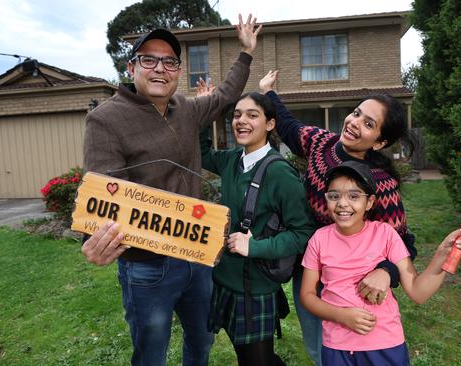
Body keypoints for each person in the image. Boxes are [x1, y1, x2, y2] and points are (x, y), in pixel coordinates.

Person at [80, 15, 261, 366]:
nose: (160, 68)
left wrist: (245, 53)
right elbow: (102, 196)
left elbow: (225, 95)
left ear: (178, 71)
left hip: (196, 256)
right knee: (151, 353)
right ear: (131, 66)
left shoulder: (186, 109)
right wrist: (92, 238)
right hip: (147, 268)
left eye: (170, 61)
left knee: (202, 340)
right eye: (149, 59)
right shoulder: (106, 119)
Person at [259, 70, 417, 365]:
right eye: (357, 113)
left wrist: (386, 272)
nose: (355, 123)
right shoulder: (321, 144)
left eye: (368, 124)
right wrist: (268, 92)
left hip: (353, 281)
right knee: (319, 347)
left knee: (353, 345)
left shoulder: (380, 182)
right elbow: (290, 127)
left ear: (379, 142)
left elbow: (403, 242)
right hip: (309, 268)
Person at [301, 161, 461, 365]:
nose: (342, 203)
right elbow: (307, 295)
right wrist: (341, 316)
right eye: (334, 196)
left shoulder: (385, 234)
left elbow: (418, 291)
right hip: (337, 347)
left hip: (385, 345)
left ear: (369, 202)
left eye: (354, 196)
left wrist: (442, 254)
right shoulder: (319, 239)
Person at [199, 91, 315, 365]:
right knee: (248, 358)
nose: (241, 121)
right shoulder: (231, 160)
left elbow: (303, 233)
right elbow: (201, 152)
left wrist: (255, 246)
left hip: (254, 289)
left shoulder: (280, 173)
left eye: (253, 115)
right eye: (237, 115)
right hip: (224, 280)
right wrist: (205, 109)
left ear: (270, 124)